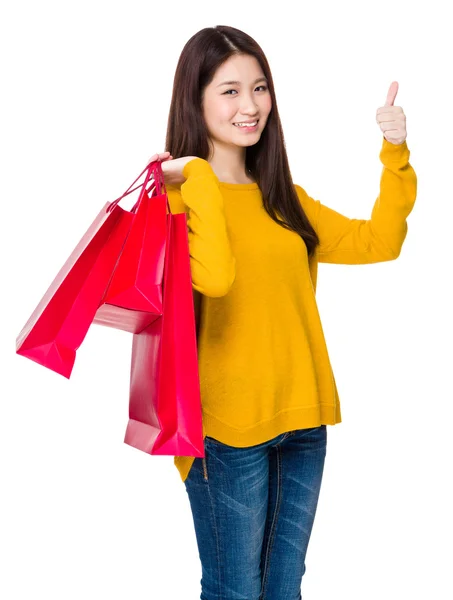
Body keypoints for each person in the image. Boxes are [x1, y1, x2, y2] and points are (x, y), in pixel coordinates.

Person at [147, 25, 417, 600]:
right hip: (225, 433)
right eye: (230, 91)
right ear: (194, 98)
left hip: (302, 419)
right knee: (234, 590)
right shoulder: (176, 198)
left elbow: (379, 242)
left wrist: (395, 157)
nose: (251, 106)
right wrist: (195, 174)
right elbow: (214, 277)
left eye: (260, 88)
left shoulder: (282, 197)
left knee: (284, 588)